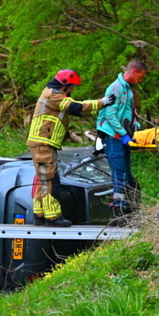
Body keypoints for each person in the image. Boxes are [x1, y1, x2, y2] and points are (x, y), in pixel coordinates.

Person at [27, 69, 114, 227]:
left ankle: (39, 215)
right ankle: (53, 217)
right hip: (43, 143)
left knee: (44, 180)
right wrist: (103, 102)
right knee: (51, 181)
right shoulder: (53, 95)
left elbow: (79, 111)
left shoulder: (54, 94)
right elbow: (76, 107)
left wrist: (100, 108)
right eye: (72, 87)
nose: (73, 90)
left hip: (43, 143)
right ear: (64, 85)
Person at [96, 60, 148, 220]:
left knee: (126, 173)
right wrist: (121, 133)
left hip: (123, 135)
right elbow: (109, 115)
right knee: (119, 172)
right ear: (133, 72)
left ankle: (127, 206)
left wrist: (136, 126)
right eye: (140, 76)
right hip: (112, 136)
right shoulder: (116, 88)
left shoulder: (130, 91)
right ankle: (118, 210)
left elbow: (130, 112)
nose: (141, 80)